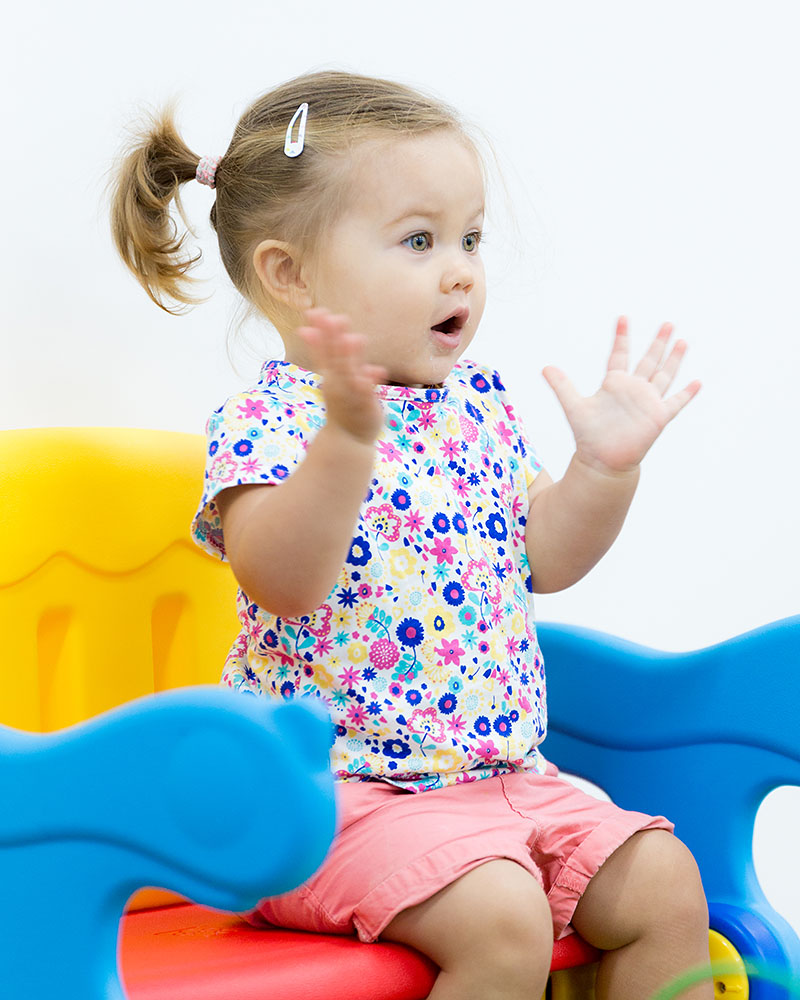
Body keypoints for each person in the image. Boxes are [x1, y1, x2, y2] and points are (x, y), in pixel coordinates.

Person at [111, 70, 711, 1000]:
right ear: (291, 274)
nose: (463, 268)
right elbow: (283, 579)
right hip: (326, 799)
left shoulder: (474, 405)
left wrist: (603, 472)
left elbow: (545, 558)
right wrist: (346, 447)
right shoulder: (272, 421)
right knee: (503, 919)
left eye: (470, 238)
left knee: (668, 888)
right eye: (420, 240)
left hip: (502, 778)